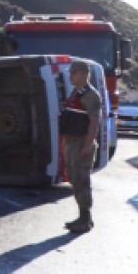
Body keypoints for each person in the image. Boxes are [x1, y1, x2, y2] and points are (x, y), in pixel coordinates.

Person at [62, 61, 101, 234]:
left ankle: (85, 219)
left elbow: (94, 122)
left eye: (75, 72)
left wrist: (87, 146)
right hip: (71, 142)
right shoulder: (76, 93)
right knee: (74, 179)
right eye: (71, 72)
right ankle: (83, 217)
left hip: (81, 142)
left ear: (85, 73)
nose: (71, 75)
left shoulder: (90, 95)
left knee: (82, 180)